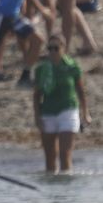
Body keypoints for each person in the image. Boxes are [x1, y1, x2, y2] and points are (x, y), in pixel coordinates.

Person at [33, 34, 91, 173]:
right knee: (50, 160)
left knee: (65, 155)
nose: (52, 52)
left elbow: (80, 90)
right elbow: (37, 95)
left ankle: (66, 191)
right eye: (49, 48)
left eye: (56, 48)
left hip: (68, 110)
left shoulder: (72, 66)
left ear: (63, 48)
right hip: (48, 111)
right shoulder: (42, 69)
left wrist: (85, 112)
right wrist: (37, 117)